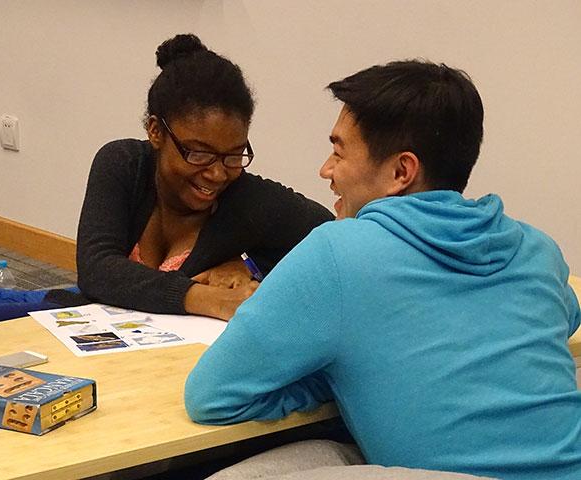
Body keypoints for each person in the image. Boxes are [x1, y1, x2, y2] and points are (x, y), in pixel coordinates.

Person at [184, 60, 581, 479]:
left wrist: (329, 378)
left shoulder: (337, 253)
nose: (326, 170)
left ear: (400, 172)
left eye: (339, 151)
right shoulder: (538, 249)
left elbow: (211, 396)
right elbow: (565, 320)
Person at [62, 33, 332, 320]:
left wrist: (251, 266)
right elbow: (97, 269)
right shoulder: (123, 164)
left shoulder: (247, 198)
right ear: (156, 131)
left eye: (234, 154)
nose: (217, 174)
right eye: (199, 153)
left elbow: (333, 238)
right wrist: (203, 298)